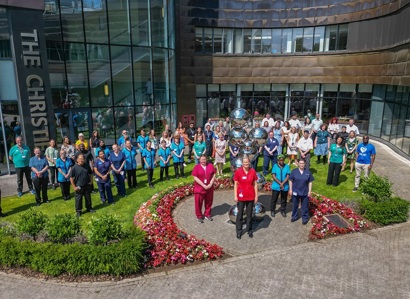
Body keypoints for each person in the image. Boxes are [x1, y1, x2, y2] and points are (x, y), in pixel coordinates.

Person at [234, 157, 258, 239]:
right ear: (242, 163)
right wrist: (235, 195)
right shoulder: (238, 171)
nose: (246, 164)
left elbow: (255, 184)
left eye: (247, 162)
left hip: (250, 196)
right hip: (241, 196)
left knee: (249, 215)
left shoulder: (252, 171)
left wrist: (256, 196)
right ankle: (239, 231)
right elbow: (236, 184)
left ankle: (249, 230)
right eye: (244, 162)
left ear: (249, 162)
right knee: (240, 215)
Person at [288, 159, 314, 225]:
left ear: (305, 164)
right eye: (300, 163)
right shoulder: (294, 171)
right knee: (294, 205)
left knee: (304, 206)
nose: (302, 165)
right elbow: (290, 180)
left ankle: (304, 219)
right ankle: (294, 217)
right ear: (298, 164)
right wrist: (290, 189)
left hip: (304, 192)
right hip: (295, 191)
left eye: (303, 163)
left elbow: (310, 182)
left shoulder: (308, 172)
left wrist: (309, 191)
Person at [192, 155, 216, 223]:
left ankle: (207, 214)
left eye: (204, 159)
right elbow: (195, 177)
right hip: (199, 189)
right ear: (199, 160)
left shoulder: (210, 165)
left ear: (206, 159)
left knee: (209, 202)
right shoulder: (196, 167)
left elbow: (214, 174)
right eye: (202, 160)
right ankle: (199, 216)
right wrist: (203, 185)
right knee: (198, 203)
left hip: (209, 188)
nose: (203, 161)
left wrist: (211, 184)